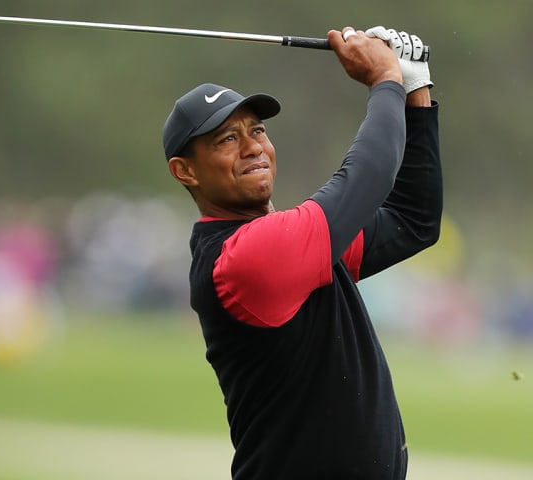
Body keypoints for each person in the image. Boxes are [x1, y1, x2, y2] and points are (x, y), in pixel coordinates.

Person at [163, 25, 442, 480]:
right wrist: (385, 81)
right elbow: (368, 175)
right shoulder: (243, 258)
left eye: (256, 130)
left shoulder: (291, 246)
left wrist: (415, 90)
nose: (253, 146)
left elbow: (412, 221)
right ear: (185, 171)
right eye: (226, 139)